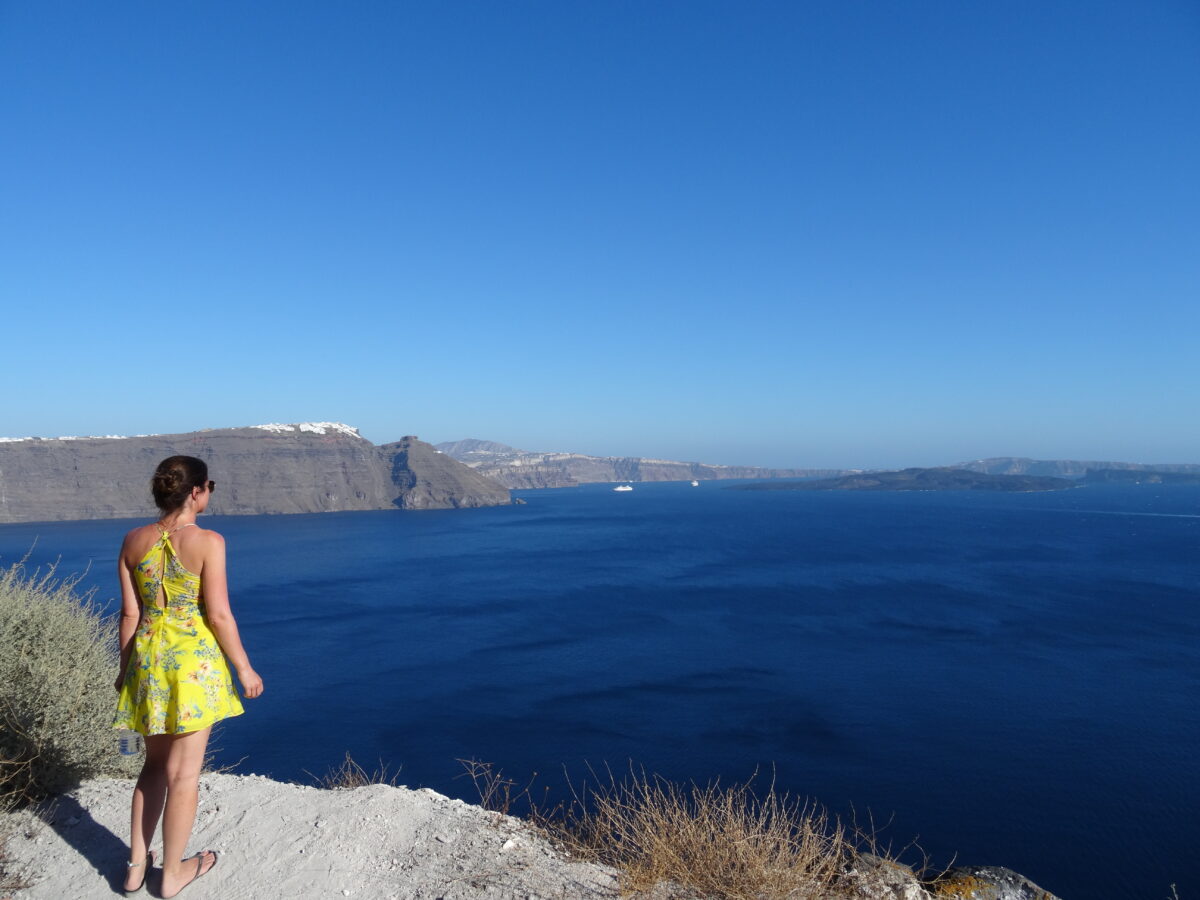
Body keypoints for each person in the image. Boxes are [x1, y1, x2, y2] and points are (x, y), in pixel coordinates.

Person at [113, 455, 263, 898]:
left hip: (146, 664)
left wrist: (125, 674)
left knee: (153, 765)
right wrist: (244, 668)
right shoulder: (209, 542)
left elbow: (129, 614)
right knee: (185, 776)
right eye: (209, 486)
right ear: (196, 492)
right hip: (192, 668)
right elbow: (217, 615)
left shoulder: (132, 540)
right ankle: (173, 875)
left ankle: (135, 867)